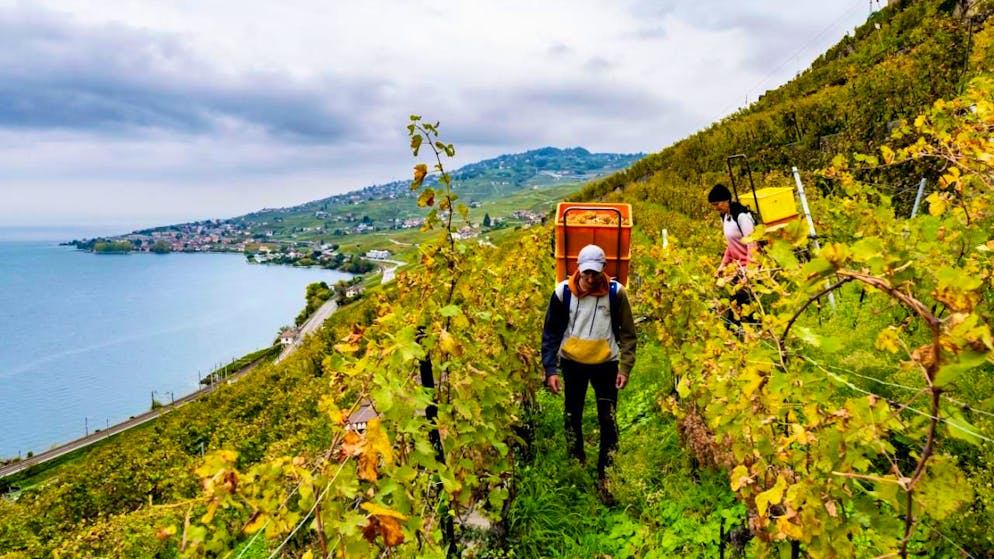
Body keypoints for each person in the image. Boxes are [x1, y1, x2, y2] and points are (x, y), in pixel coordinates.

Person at [541, 244, 637, 505]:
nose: (591, 279)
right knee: (572, 414)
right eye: (586, 274)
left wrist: (625, 368)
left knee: (609, 419)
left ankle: (607, 473)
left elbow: (628, 335)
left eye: (595, 273)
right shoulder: (562, 293)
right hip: (573, 363)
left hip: (606, 364)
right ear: (577, 270)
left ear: (604, 270)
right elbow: (550, 333)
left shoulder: (617, 294)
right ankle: (576, 462)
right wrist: (551, 369)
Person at [708, 183, 757, 331]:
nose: (716, 208)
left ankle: (746, 334)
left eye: (717, 204)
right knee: (733, 300)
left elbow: (752, 245)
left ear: (727, 200)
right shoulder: (725, 217)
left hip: (749, 266)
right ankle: (738, 334)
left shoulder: (741, 217)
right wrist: (722, 266)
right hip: (737, 266)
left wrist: (749, 272)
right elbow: (730, 245)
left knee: (742, 300)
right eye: (713, 205)